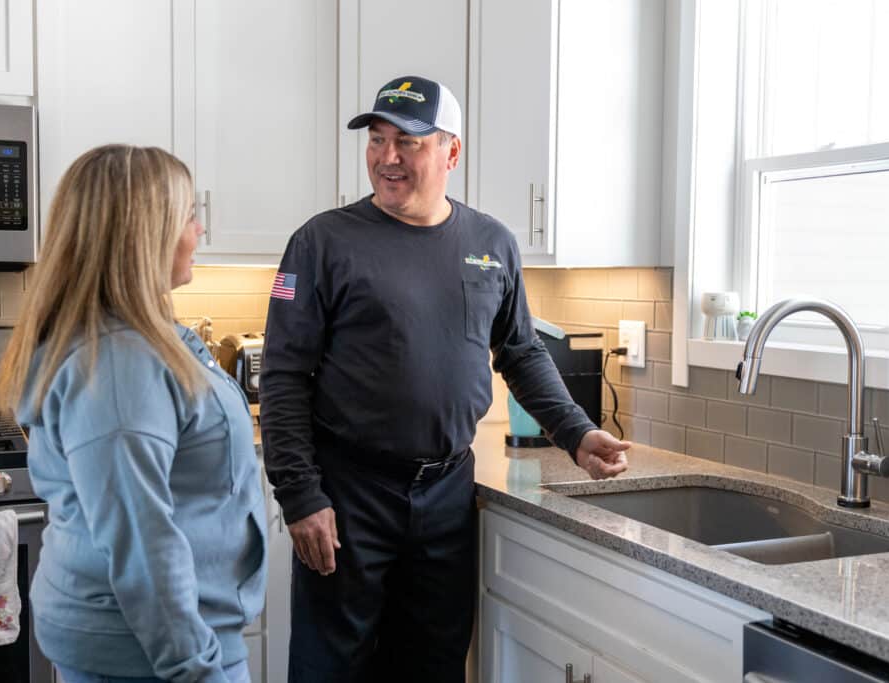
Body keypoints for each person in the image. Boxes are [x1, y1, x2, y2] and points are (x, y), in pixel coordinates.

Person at [260, 75, 630, 683]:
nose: (387, 157)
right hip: (351, 493)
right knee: (332, 668)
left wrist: (577, 432)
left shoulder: (492, 243)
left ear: (451, 152)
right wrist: (301, 495)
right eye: (377, 140)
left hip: (447, 497)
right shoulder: (321, 242)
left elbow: (521, 351)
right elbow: (282, 375)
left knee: (433, 666)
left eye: (408, 141)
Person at [0, 145, 266, 683]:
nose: (200, 231)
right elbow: (142, 543)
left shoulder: (137, 340)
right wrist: (198, 669)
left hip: (153, 642)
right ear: (146, 233)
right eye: (190, 216)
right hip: (152, 654)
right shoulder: (119, 362)